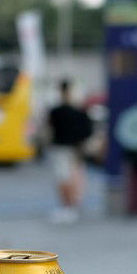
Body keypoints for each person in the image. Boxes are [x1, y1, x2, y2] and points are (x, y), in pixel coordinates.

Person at [46, 80, 92, 224]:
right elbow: (87, 132)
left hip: (63, 149)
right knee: (70, 179)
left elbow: (49, 130)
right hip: (72, 149)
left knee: (64, 179)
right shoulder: (78, 112)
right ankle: (70, 207)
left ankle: (68, 207)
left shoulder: (57, 112)